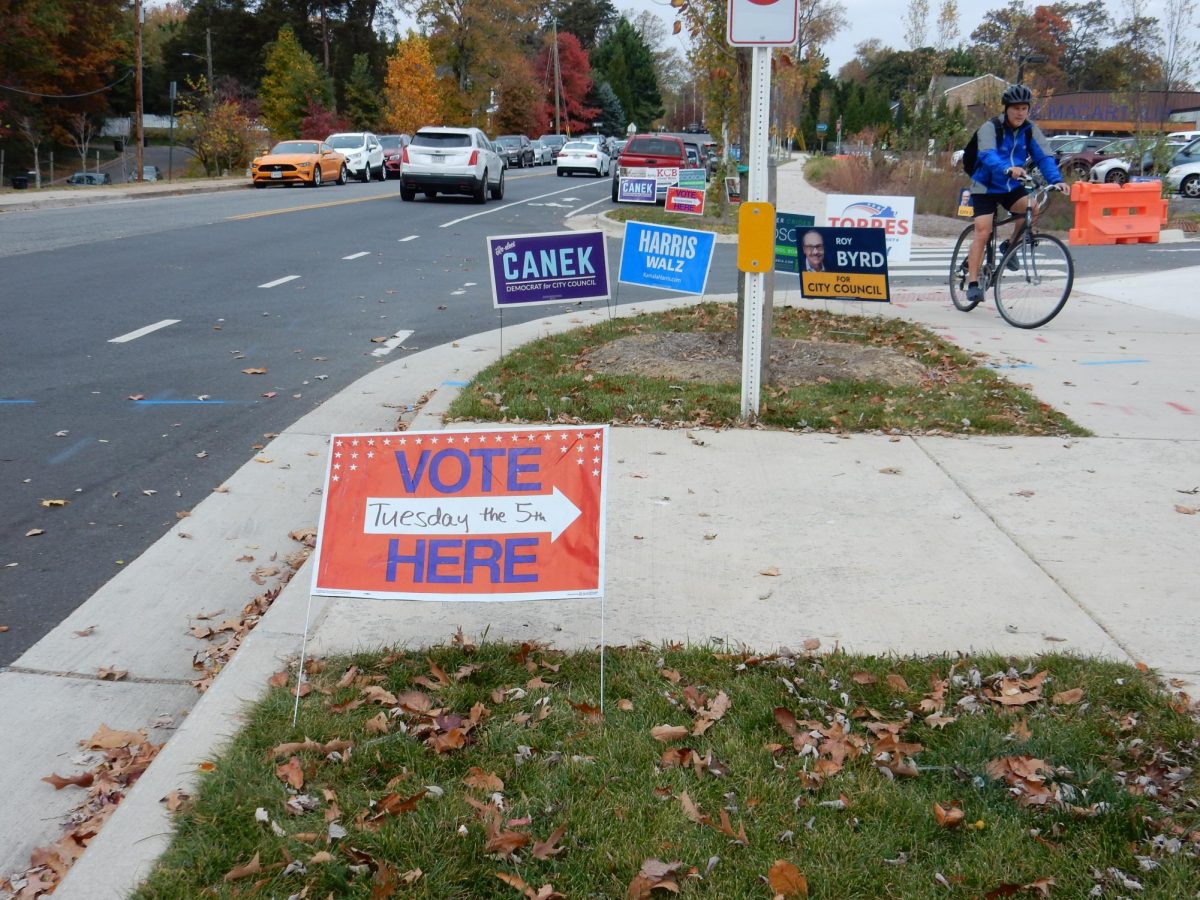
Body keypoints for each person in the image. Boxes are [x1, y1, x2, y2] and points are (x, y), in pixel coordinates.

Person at [964, 84, 1065, 304]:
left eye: (1024, 108)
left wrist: (1057, 181)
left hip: (1010, 187)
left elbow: (1044, 156)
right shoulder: (990, 128)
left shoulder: (1029, 130)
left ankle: (1009, 246)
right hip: (985, 185)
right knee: (983, 231)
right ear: (1006, 109)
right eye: (1016, 108)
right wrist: (1005, 169)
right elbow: (987, 155)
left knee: (1032, 208)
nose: (1020, 113)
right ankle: (972, 283)